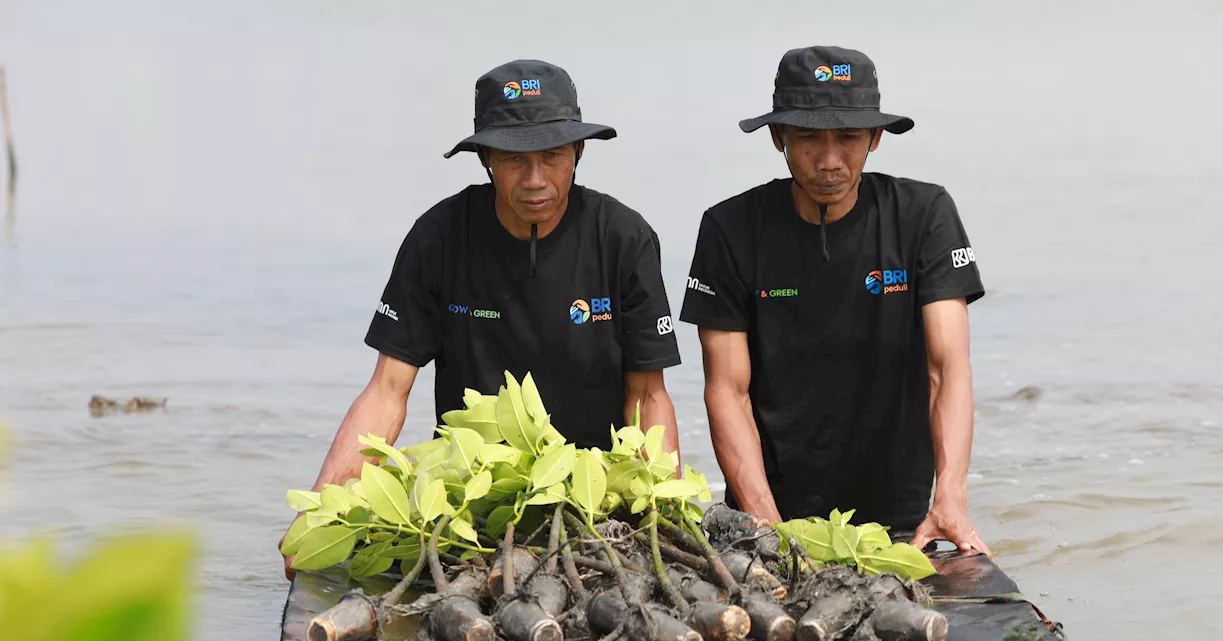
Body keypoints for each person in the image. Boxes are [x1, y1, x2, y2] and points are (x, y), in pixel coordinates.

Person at [281, 60, 682, 576]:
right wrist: (318, 511)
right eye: (515, 158)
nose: (535, 180)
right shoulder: (440, 236)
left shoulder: (624, 239)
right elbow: (387, 391)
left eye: (553, 155)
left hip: (593, 501)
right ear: (486, 158)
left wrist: (661, 512)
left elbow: (648, 396)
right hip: (472, 500)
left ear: (579, 153)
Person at [679, 46, 989, 555]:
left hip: (903, 520)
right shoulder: (730, 228)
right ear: (778, 137)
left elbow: (947, 369)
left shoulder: (923, 215)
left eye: (848, 138)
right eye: (807, 139)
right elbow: (726, 390)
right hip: (771, 518)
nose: (829, 162)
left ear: (875, 137)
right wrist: (764, 524)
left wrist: (950, 496)